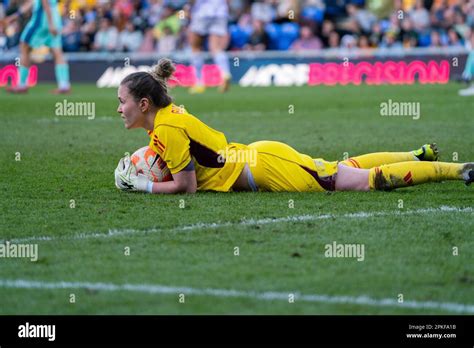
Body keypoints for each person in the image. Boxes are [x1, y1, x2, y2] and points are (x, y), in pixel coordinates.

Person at [115, 59, 474, 194]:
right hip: (259, 158)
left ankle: (457, 170)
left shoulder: (165, 129)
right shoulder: (165, 119)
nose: (119, 109)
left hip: (267, 167)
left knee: (362, 182)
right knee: (343, 169)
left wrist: (143, 185)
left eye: (122, 101)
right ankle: (416, 154)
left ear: (143, 104)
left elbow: (186, 187)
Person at [3, 0, 71, 93]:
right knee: (57, 52)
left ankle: (22, 84)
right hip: (55, 18)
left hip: (42, 20)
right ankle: (64, 85)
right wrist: (15, 16)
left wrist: (50, 24)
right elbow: (32, 2)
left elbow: (44, 2)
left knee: (24, 46)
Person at [188, 0, 232, 94]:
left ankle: (199, 83)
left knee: (195, 47)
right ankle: (225, 73)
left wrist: (189, 8)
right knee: (216, 48)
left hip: (203, 11)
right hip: (220, 11)